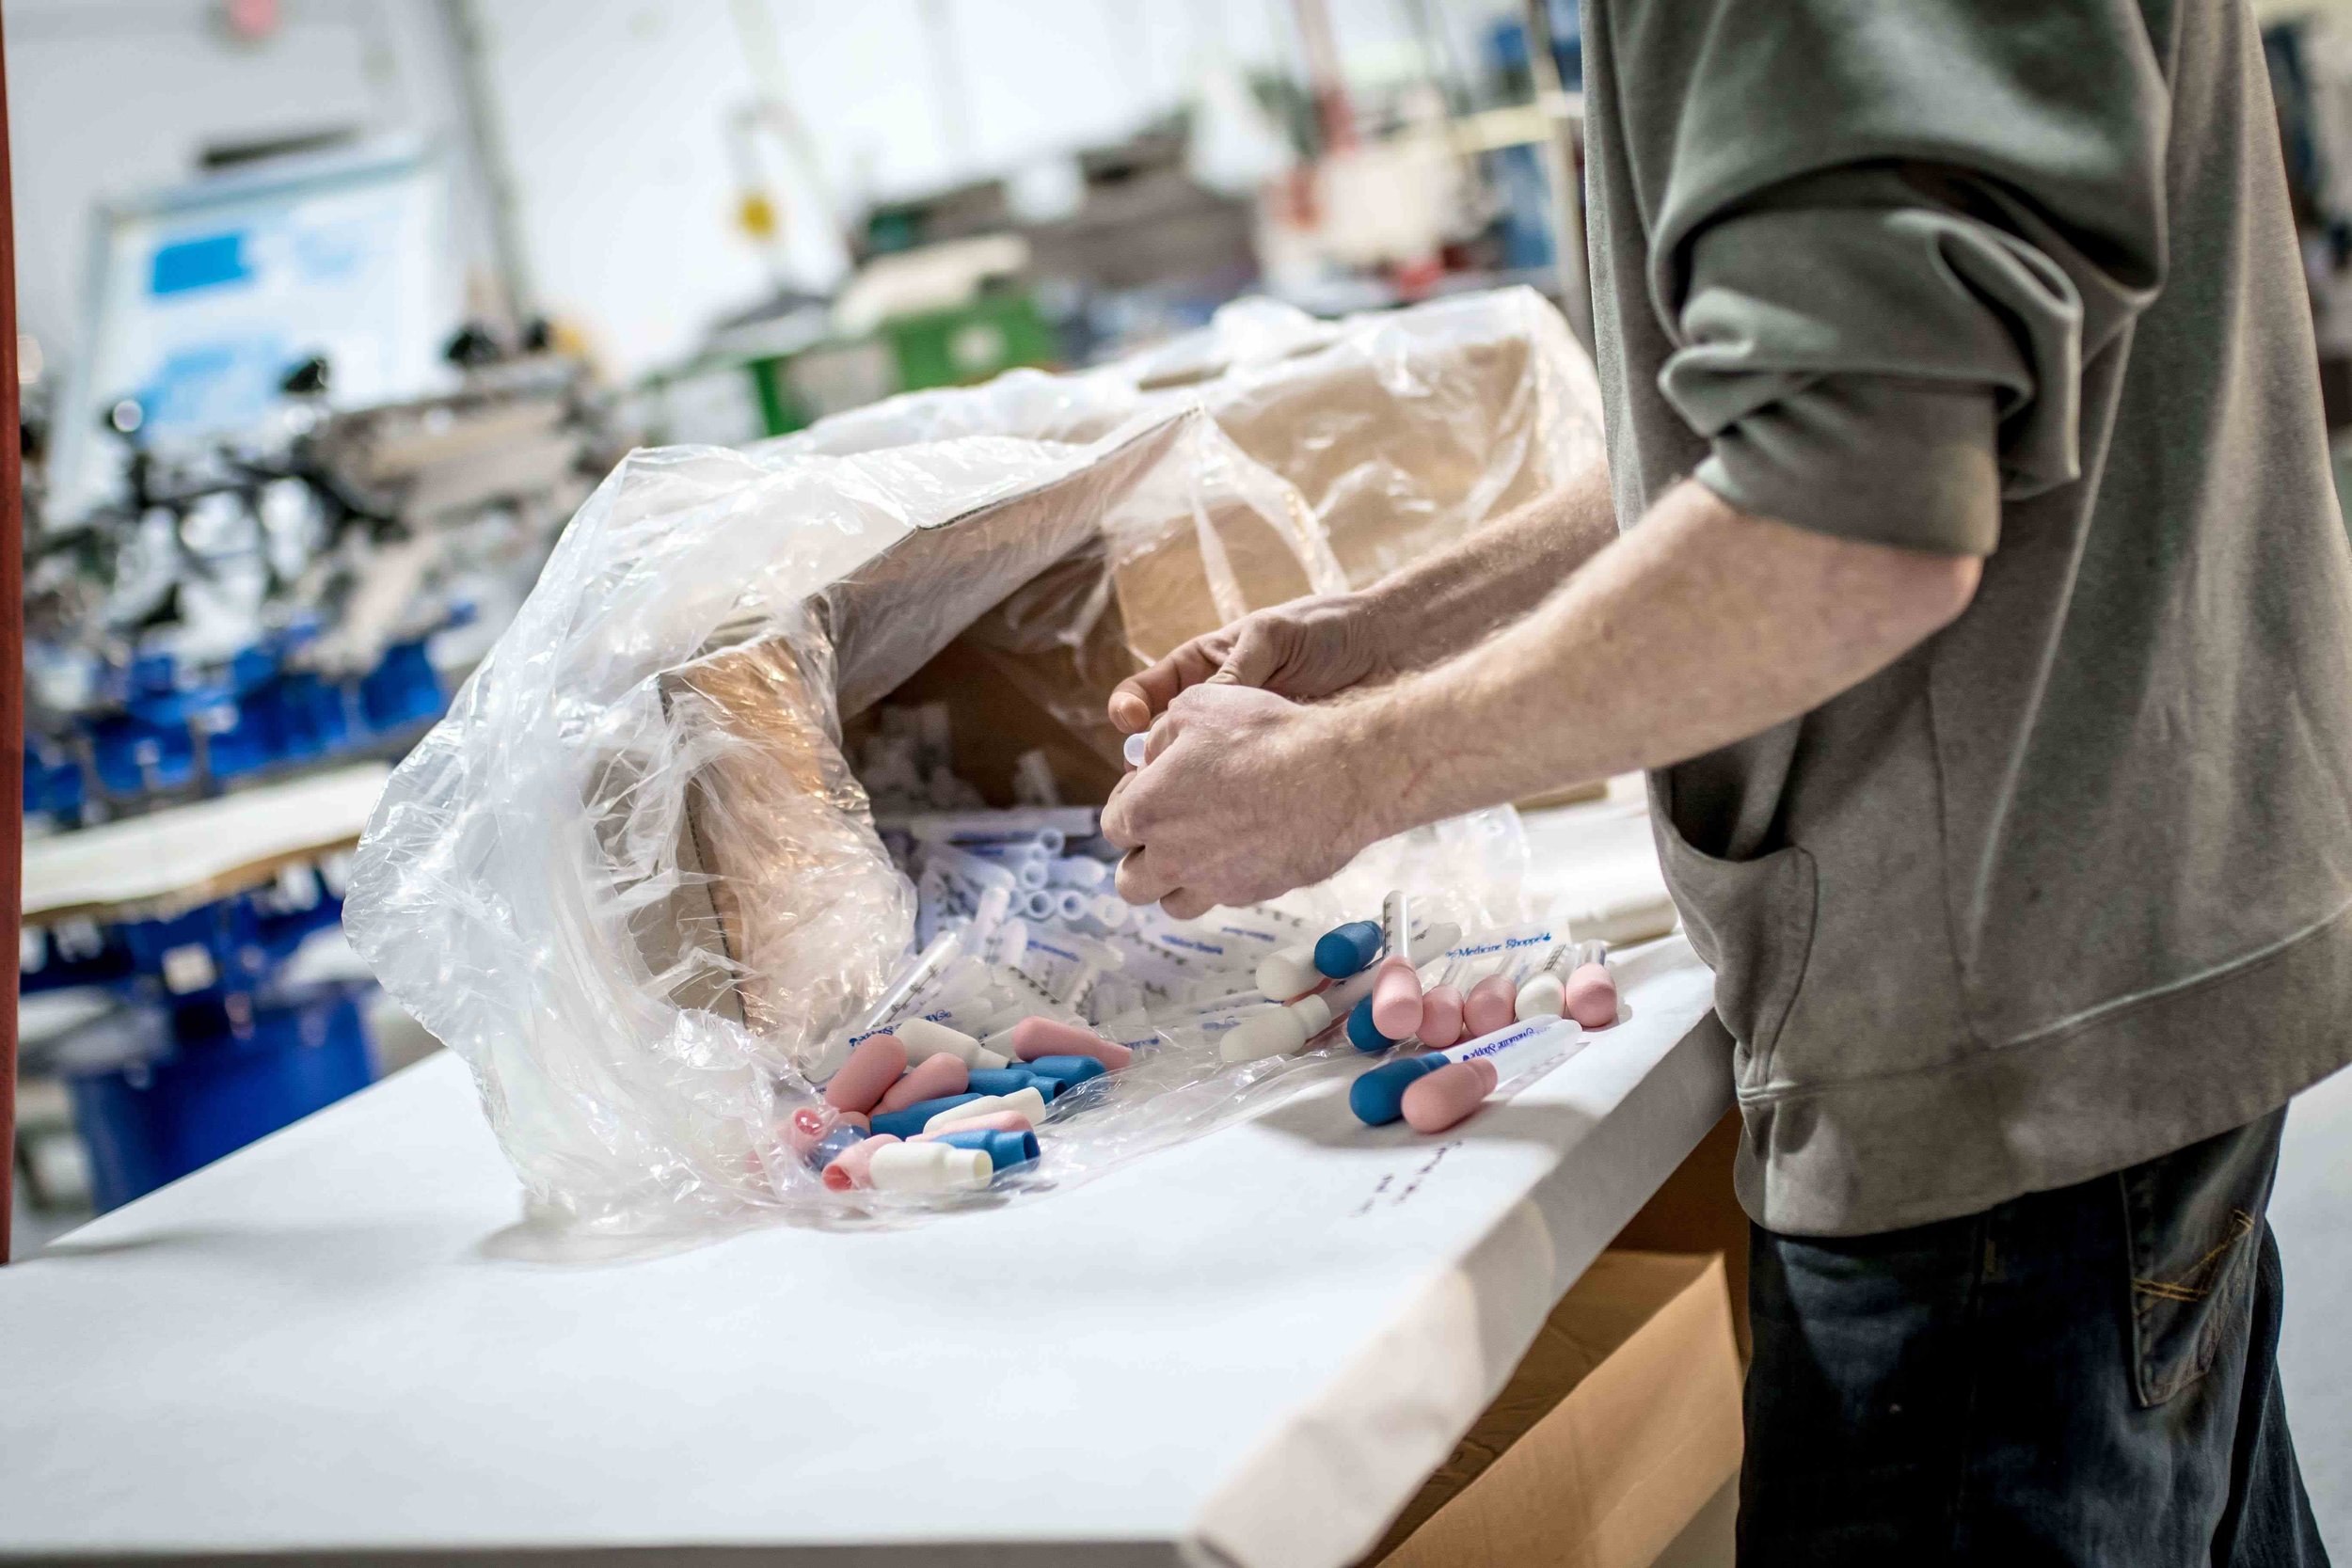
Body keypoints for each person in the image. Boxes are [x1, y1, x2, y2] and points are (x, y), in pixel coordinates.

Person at [1101, 3, 2344, 1561]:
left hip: (1998, 1050)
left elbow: (1846, 516)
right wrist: (1370, 637)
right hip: (2122, 938)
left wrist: (1338, 780)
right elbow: (1802, 406)